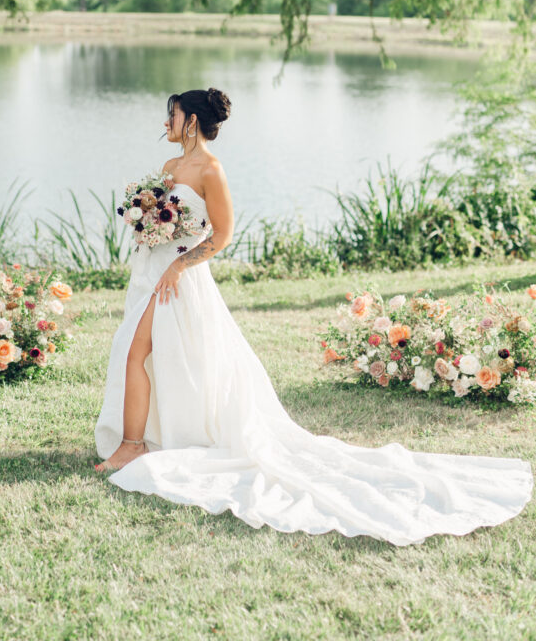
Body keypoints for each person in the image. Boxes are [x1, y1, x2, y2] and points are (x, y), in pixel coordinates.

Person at [93, 88, 533, 545]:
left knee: (136, 353)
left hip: (179, 278)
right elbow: (166, 217)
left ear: (191, 121)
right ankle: (143, 439)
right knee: (147, 354)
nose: (166, 120)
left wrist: (180, 263)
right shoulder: (168, 169)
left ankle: (132, 446)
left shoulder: (211, 170)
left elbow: (222, 234)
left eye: (173, 113)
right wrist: (147, 223)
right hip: (153, 272)